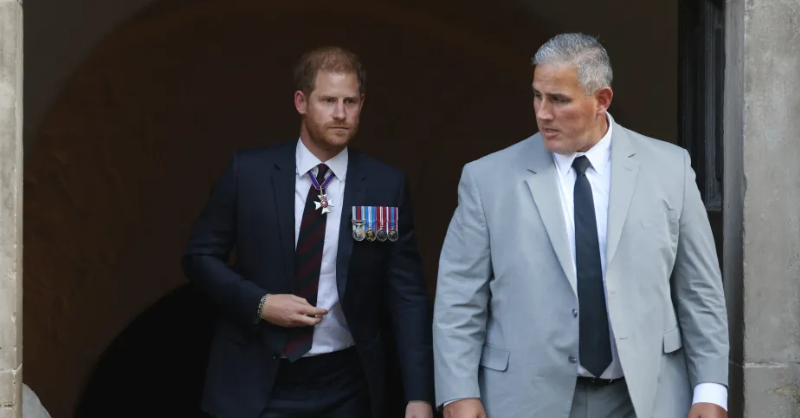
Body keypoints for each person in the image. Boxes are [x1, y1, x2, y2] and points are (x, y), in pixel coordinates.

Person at [432, 33, 729, 418]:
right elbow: (459, 297)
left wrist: (710, 390)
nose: (542, 113)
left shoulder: (670, 169)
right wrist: (458, 392)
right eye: (537, 96)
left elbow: (700, 290)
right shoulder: (487, 179)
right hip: (526, 400)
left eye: (558, 100)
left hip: (646, 399)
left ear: (601, 100)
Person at [183, 46, 434, 418]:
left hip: (347, 384)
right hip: (256, 381)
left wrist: (419, 395)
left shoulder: (384, 186)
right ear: (301, 102)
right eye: (328, 100)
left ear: (362, 104)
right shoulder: (248, 173)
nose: (340, 113)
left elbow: (407, 294)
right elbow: (199, 258)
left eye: (350, 101)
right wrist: (260, 303)